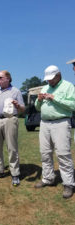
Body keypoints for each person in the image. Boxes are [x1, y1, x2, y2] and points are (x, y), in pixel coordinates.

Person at [34, 65, 75, 199]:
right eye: (48, 79)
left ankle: (69, 183)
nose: (49, 82)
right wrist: (39, 100)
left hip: (61, 122)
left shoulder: (68, 86)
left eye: (51, 79)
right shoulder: (45, 87)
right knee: (45, 153)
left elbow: (73, 105)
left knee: (63, 154)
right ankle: (48, 178)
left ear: (58, 75)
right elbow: (37, 107)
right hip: (44, 123)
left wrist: (54, 98)